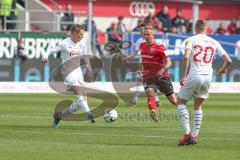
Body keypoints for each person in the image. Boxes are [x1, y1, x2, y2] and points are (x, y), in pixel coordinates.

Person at [176, 19, 232, 146]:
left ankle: (187, 134)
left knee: (180, 102)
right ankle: (195, 136)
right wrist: (223, 69)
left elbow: (186, 57)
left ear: (195, 28)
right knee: (198, 105)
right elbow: (228, 60)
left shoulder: (191, 40)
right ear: (206, 28)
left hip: (195, 74)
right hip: (208, 76)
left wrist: (183, 76)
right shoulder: (214, 41)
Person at [42, 24, 95, 128]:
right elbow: (51, 50)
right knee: (79, 94)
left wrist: (89, 68)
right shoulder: (64, 43)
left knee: (82, 101)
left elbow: (85, 55)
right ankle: (89, 114)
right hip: (68, 72)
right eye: (80, 34)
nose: (82, 36)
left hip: (78, 72)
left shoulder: (81, 43)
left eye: (83, 34)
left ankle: (59, 116)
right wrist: (45, 57)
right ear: (74, 33)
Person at [139, 26, 177, 121]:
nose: (146, 36)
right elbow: (144, 59)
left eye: (148, 34)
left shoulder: (160, 47)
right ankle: (153, 111)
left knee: (173, 99)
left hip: (162, 76)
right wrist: (141, 68)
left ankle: (184, 111)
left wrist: (162, 70)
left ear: (153, 35)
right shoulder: (142, 45)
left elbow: (169, 62)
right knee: (149, 91)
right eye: (145, 34)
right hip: (148, 76)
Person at [122, 24, 160, 106]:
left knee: (142, 81)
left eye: (143, 30)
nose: (142, 31)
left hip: (151, 64)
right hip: (143, 64)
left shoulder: (152, 40)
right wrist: (127, 58)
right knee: (146, 82)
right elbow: (135, 52)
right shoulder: (139, 41)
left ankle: (134, 100)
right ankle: (156, 100)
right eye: (141, 30)